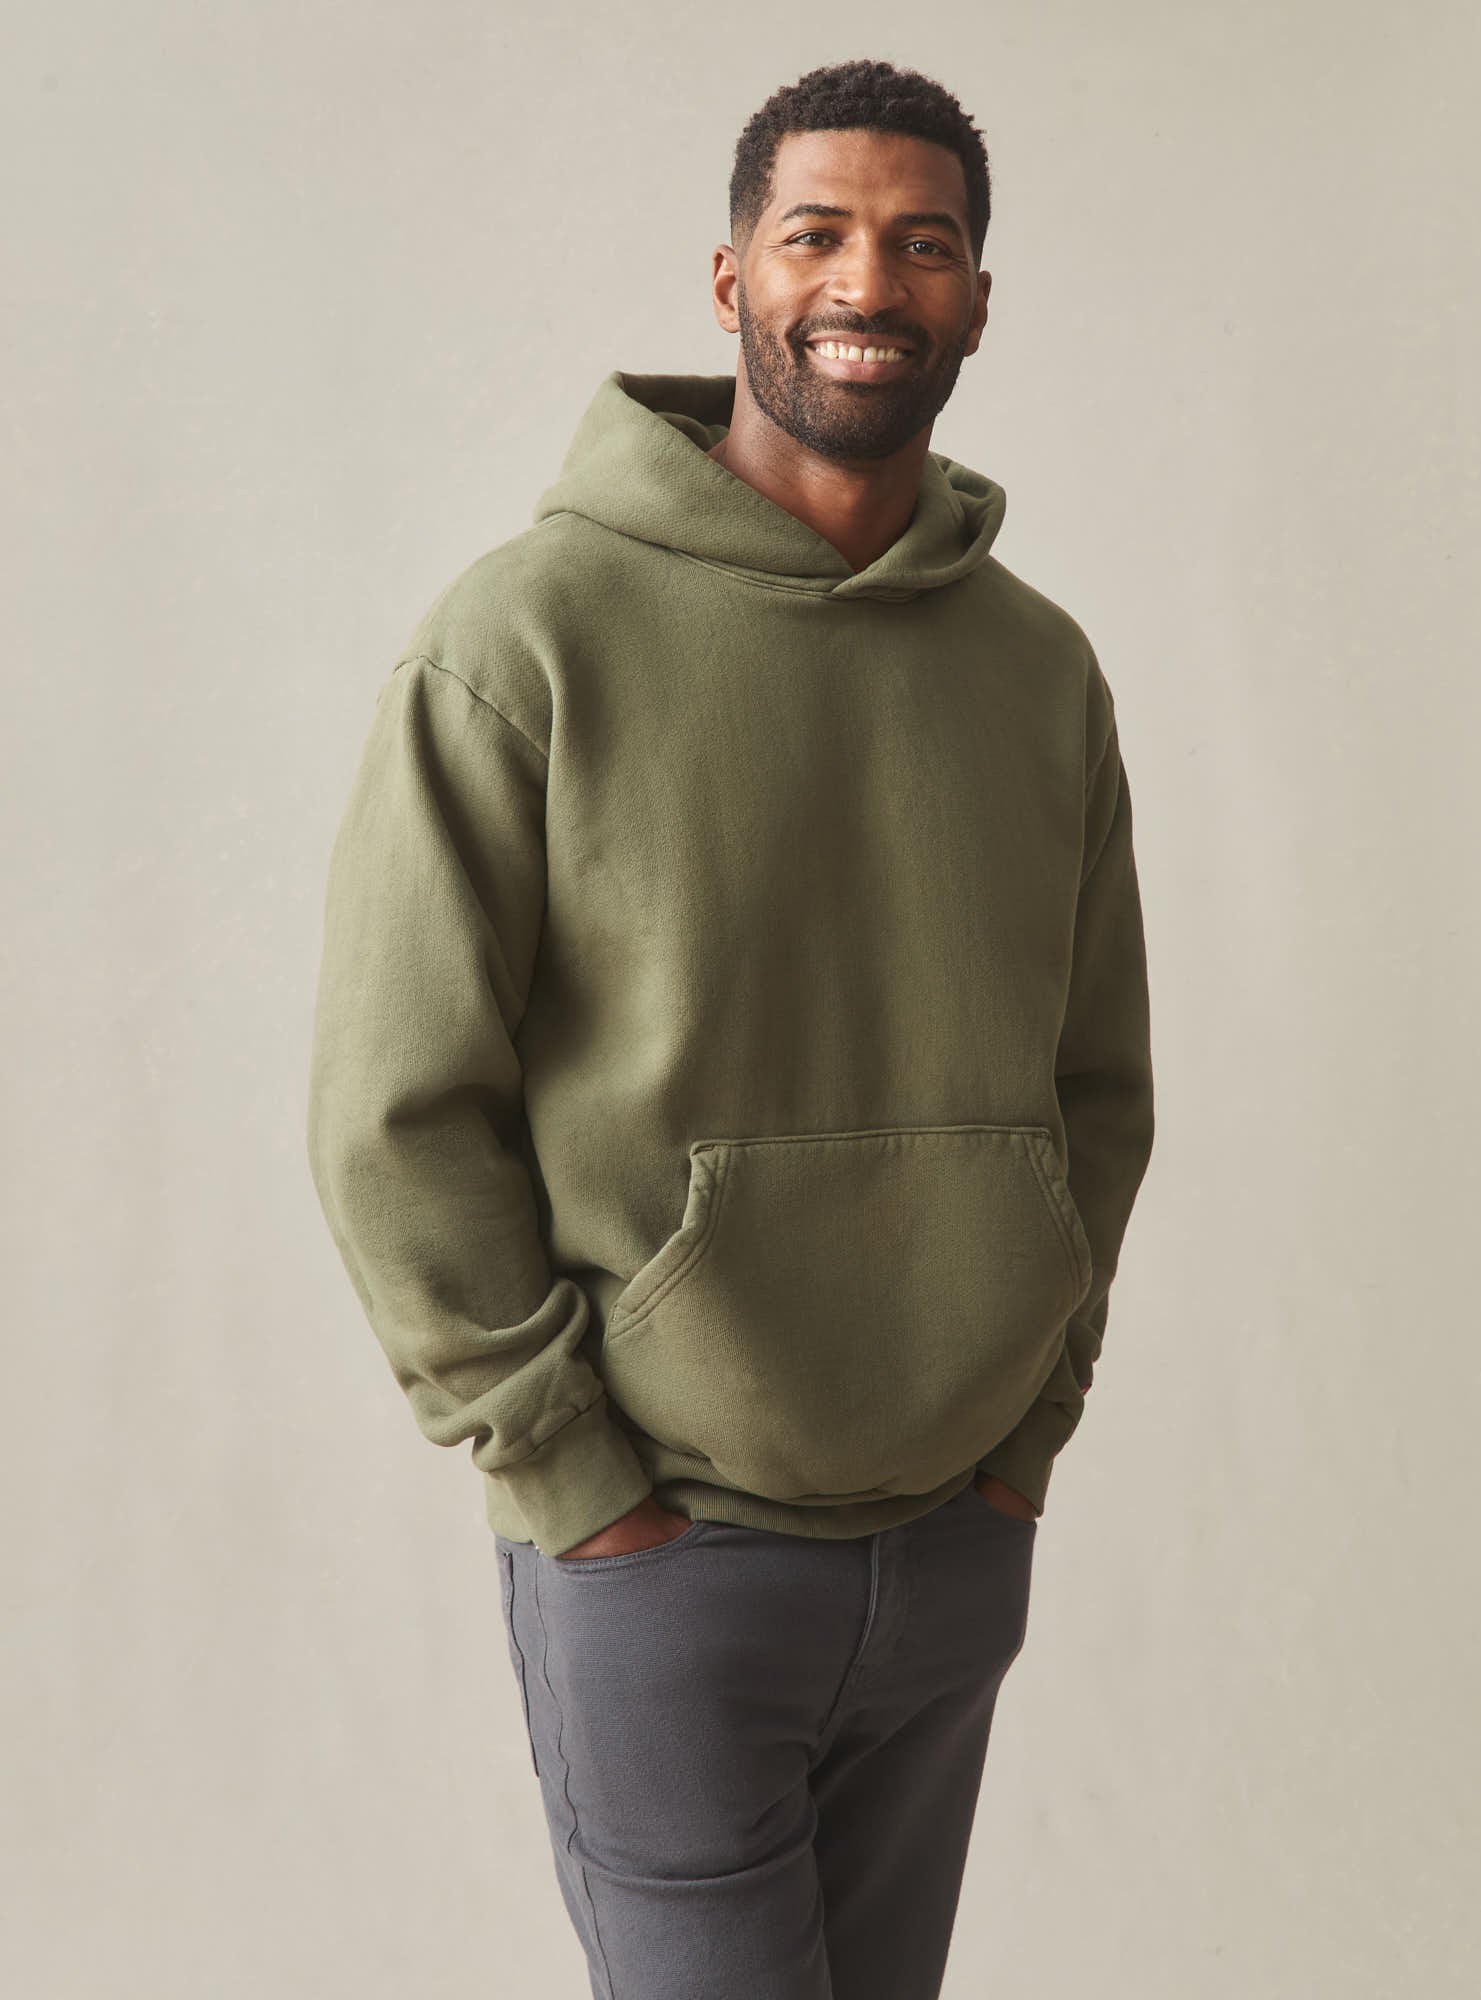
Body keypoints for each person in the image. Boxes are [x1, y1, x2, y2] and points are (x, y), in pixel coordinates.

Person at [306, 55, 1156, 2000]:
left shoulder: (1039, 672)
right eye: (817, 233)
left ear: (977, 299)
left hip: (953, 1545)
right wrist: (571, 1484)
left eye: (922, 244)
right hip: (664, 1555)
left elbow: (1094, 1086)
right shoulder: (523, 641)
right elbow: (392, 1111)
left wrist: (1027, 1430)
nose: (868, 281)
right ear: (730, 281)